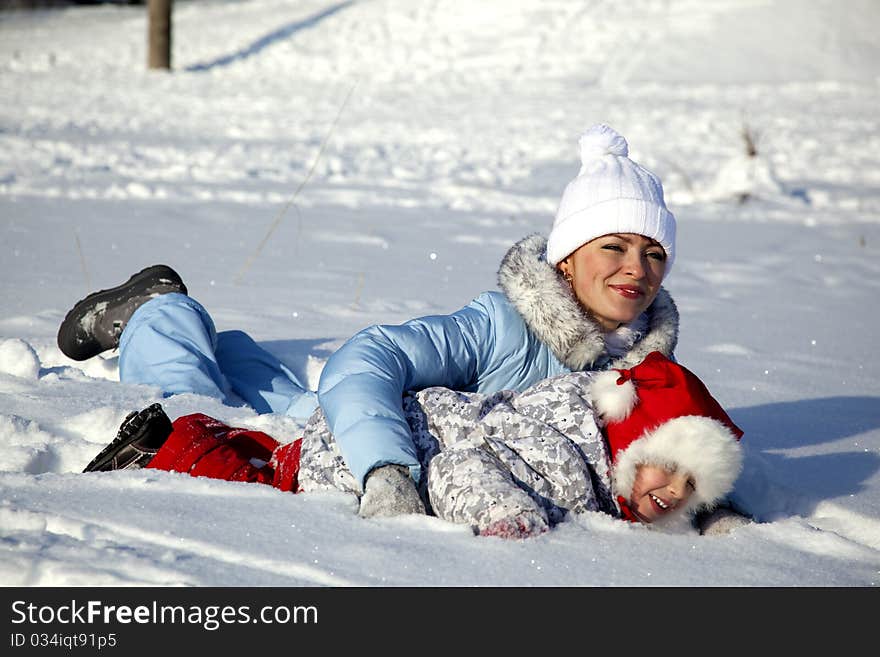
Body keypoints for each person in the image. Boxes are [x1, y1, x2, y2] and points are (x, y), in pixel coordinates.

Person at [57, 123, 683, 519]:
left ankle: (224, 349)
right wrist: (385, 470)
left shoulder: (648, 371)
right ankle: (158, 313)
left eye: (654, 253)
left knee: (290, 403)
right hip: (356, 445)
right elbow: (366, 359)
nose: (637, 268)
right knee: (193, 408)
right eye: (614, 246)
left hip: (333, 425)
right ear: (567, 261)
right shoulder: (503, 326)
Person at [83, 352, 745, 538]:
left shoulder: (594, 440)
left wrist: (718, 511)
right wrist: (506, 514)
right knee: (262, 481)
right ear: (632, 440)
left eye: (692, 491)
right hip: (380, 443)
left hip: (385, 422)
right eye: (672, 470)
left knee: (269, 433)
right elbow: (465, 464)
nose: (672, 493)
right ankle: (160, 444)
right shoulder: (569, 458)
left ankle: (210, 405)